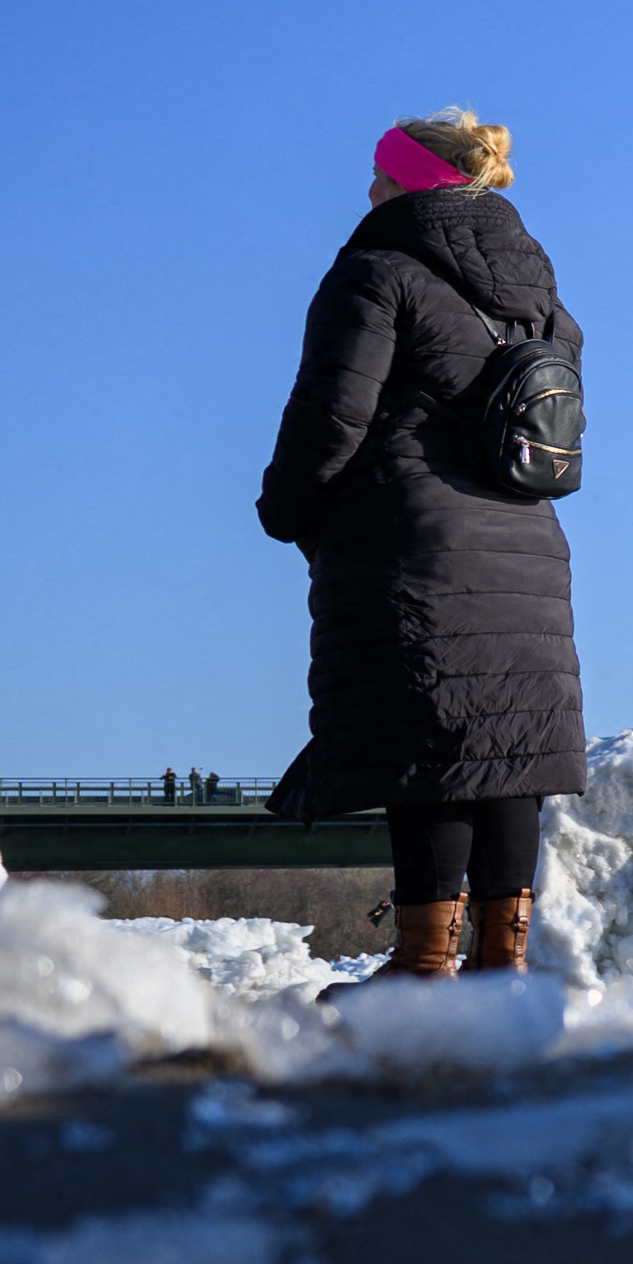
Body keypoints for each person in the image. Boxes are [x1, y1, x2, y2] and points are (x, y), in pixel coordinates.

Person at [258, 111, 585, 979]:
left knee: (430, 746)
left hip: (410, 540)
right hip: (526, 550)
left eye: (378, 171)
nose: (368, 186)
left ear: (405, 180)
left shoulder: (378, 272)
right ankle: (502, 969)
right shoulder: (540, 299)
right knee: (507, 752)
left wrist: (287, 508)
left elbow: (331, 416)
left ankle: (423, 968)